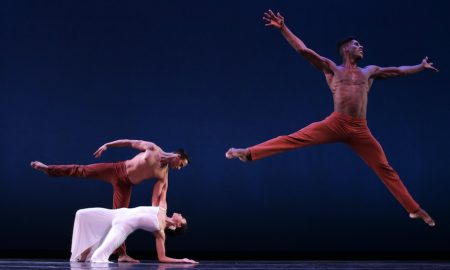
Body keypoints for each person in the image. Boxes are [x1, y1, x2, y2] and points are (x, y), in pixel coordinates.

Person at [226, 10, 437, 227]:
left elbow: (398, 71)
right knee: (293, 138)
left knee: (385, 168)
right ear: (346, 48)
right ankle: (249, 153)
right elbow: (303, 50)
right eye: (357, 44)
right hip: (336, 123)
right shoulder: (332, 69)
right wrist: (283, 28)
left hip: (360, 129)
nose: (361, 46)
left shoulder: (369, 71)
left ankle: (414, 209)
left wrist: (420, 67)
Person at [31, 139, 190, 262]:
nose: (179, 168)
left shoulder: (164, 175)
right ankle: (48, 169)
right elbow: (129, 142)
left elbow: (161, 196)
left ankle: (121, 254)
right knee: (83, 170)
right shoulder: (152, 148)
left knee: (118, 219)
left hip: (125, 185)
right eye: (181, 164)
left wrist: (161, 217)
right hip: (116, 169)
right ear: (177, 156)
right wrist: (108, 145)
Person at [70, 177, 197, 264]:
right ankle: (83, 252)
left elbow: (162, 257)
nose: (180, 214)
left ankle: (87, 255)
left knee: (98, 257)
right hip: (115, 214)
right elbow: (164, 186)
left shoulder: (160, 233)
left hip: (122, 228)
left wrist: (181, 260)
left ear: (178, 224)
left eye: (182, 217)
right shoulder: (162, 208)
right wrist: (166, 167)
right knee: (82, 214)